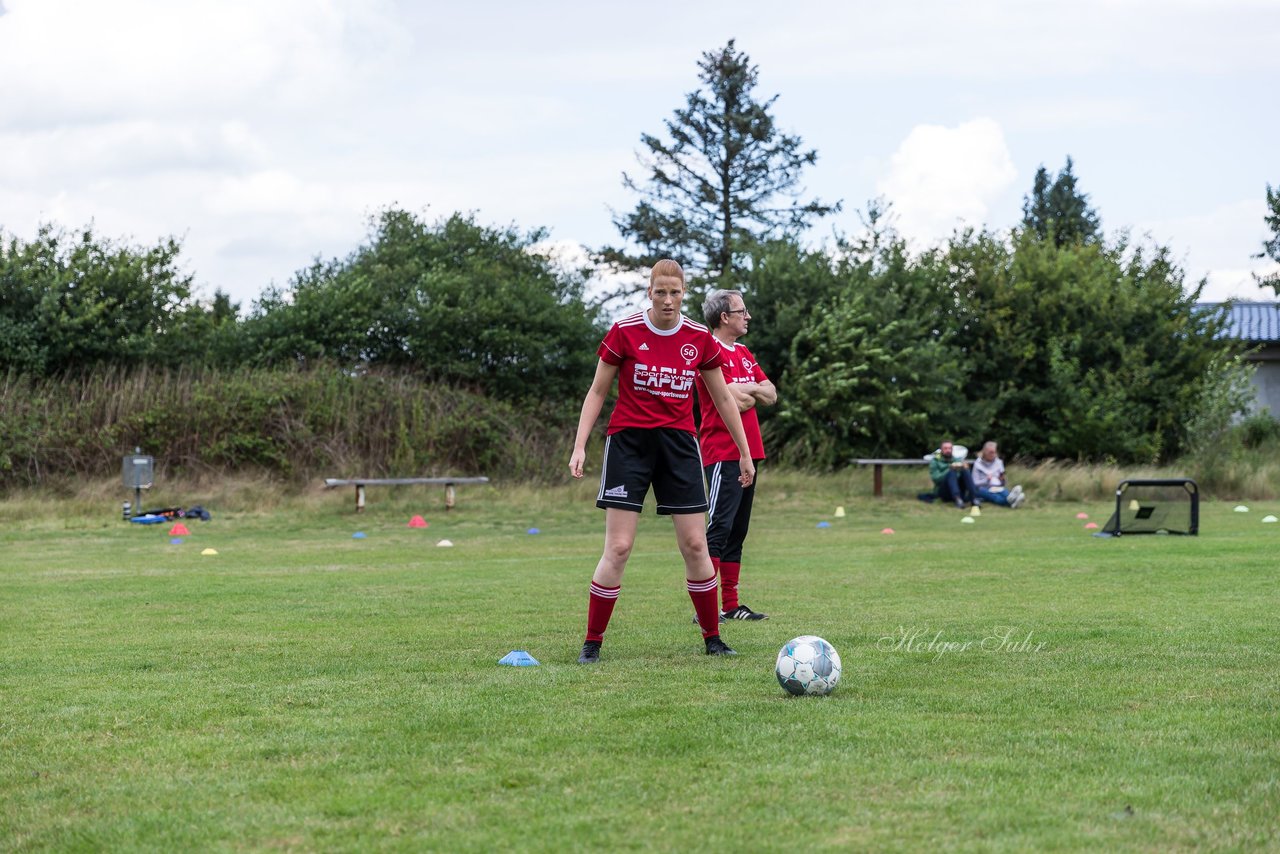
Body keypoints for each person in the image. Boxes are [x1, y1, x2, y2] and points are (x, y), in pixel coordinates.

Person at [569, 260, 755, 664]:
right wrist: (580, 444)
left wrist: (742, 451)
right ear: (649, 291)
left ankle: (712, 638)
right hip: (629, 446)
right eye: (660, 292)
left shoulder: (698, 338)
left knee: (694, 544)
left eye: (675, 292)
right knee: (618, 547)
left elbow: (723, 398)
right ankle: (592, 642)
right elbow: (597, 391)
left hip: (679, 447)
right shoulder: (624, 331)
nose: (668, 300)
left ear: (684, 292)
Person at [695, 289, 776, 621]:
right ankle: (706, 610)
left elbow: (769, 394)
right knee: (719, 528)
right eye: (742, 311)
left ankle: (730, 605)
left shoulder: (743, 352)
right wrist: (747, 392)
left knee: (738, 530)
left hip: (750, 452)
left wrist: (749, 390)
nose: (748, 316)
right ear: (724, 317)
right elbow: (733, 400)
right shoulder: (708, 350)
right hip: (723, 452)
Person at [971, 441, 1025, 508]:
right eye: (991, 452)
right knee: (995, 497)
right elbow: (974, 483)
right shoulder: (977, 464)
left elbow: (1003, 482)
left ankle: (1013, 500)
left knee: (1004, 492)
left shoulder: (999, 462)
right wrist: (986, 480)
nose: (993, 454)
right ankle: (1014, 501)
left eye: (994, 452)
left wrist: (1003, 480)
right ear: (984, 452)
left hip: (997, 487)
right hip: (983, 488)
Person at [929, 440, 979, 508]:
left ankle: (973, 498)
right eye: (945, 448)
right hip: (943, 490)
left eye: (950, 448)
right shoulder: (935, 461)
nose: (948, 450)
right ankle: (957, 499)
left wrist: (964, 468)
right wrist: (950, 470)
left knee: (965, 471)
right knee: (951, 473)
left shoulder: (957, 460)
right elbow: (936, 479)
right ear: (941, 450)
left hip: (958, 488)